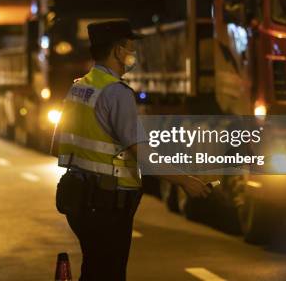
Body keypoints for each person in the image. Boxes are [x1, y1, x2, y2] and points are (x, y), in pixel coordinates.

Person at [54, 20, 210, 281]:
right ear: (117, 51)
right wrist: (185, 181)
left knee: (94, 271)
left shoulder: (80, 87)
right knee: (108, 274)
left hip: (78, 199)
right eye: (130, 48)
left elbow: (59, 144)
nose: (132, 54)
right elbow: (143, 155)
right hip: (106, 205)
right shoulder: (116, 93)